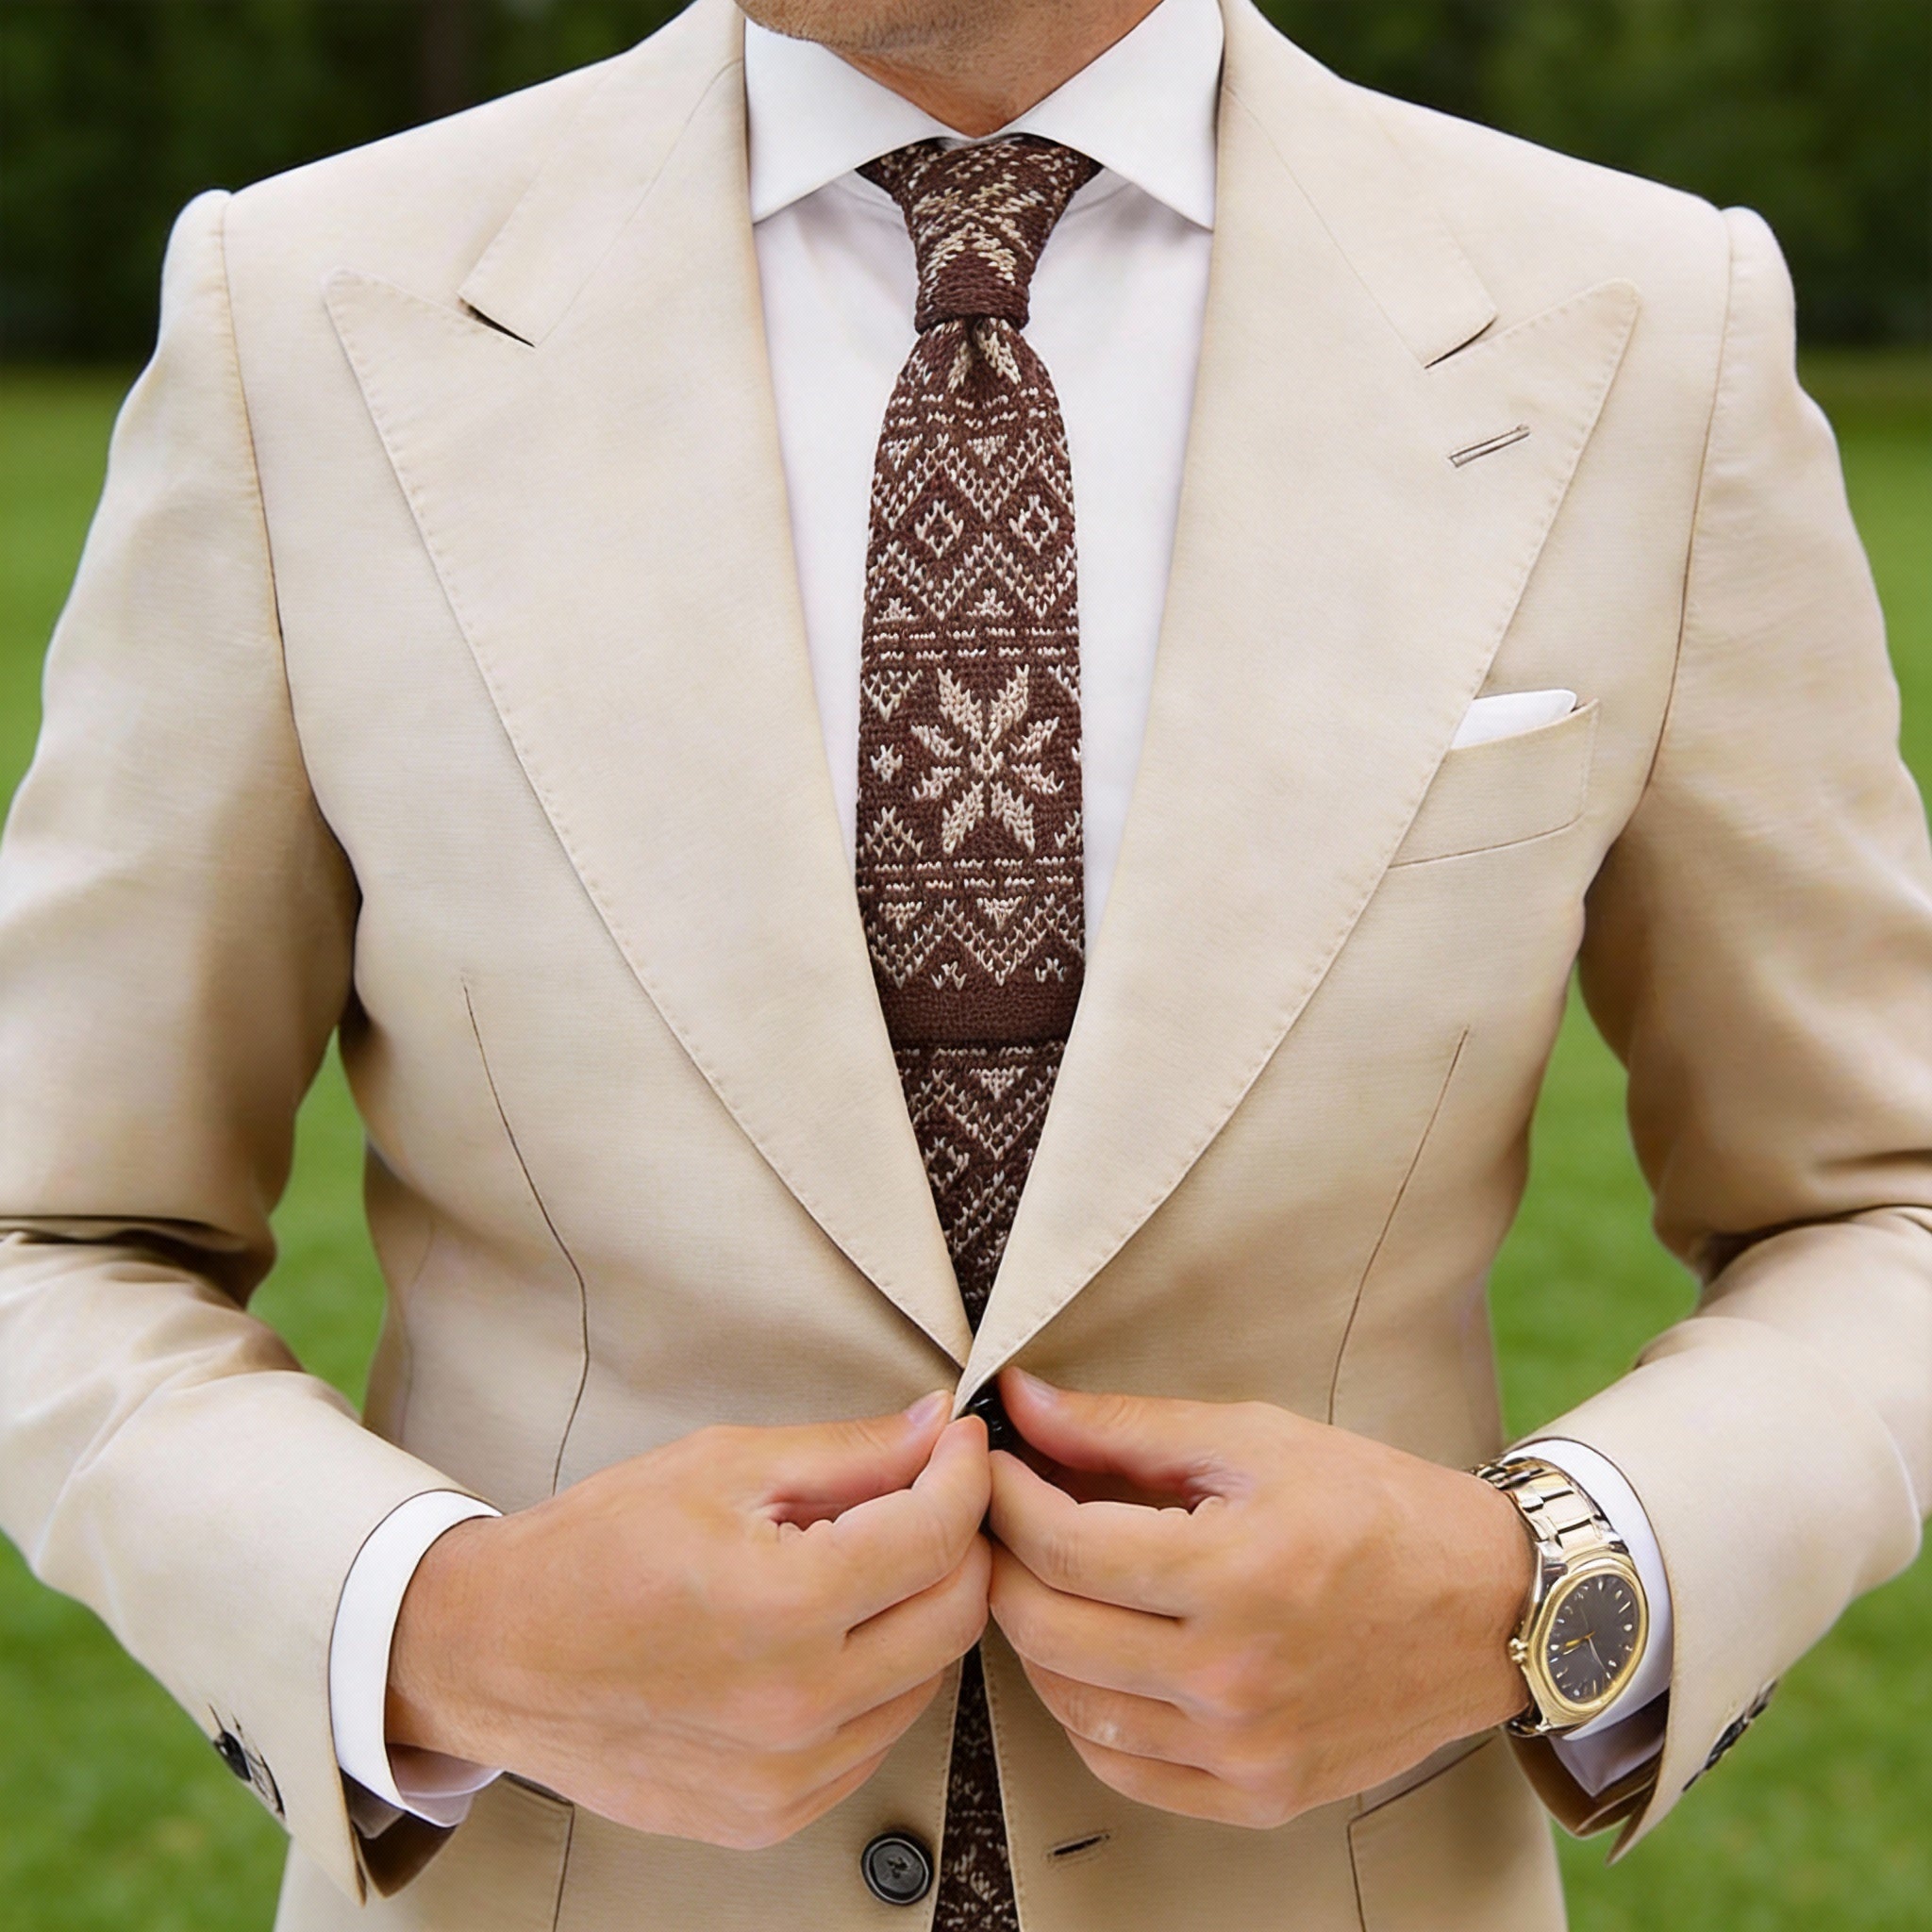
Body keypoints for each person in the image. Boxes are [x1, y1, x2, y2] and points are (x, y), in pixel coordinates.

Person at [1, 0, 1926, 1924]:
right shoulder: (306, 309)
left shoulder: (1647, 321)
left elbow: (1880, 1201)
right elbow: (53, 1229)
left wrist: (1548, 1589)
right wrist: (440, 1626)